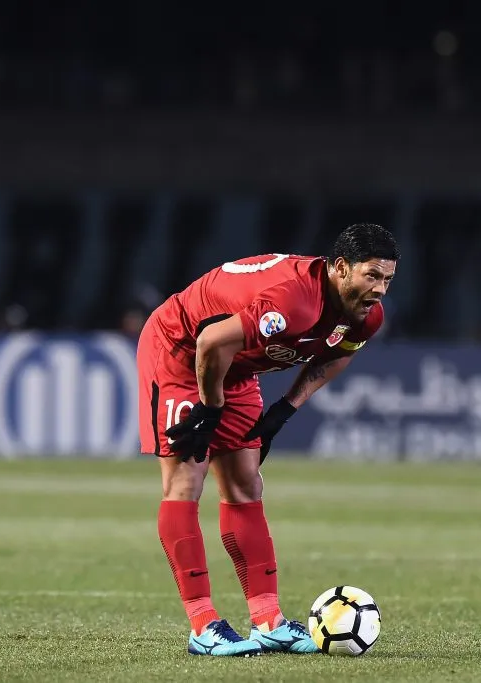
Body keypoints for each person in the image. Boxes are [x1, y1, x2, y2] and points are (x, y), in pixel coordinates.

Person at [136, 223, 400, 656]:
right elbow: (209, 341)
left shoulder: (366, 315)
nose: (380, 289)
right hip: (181, 350)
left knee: (245, 484)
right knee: (186, 479)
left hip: (235, 367)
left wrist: (286, 408)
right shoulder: (293, 301)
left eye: (387, 279)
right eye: (372, 275)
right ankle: (203, 626)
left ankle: (268, 621)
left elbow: (336, 357)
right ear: (340, 267)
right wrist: (210, 409)